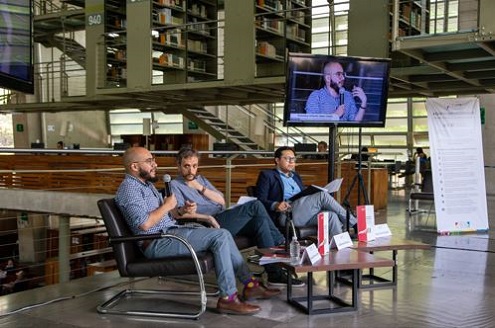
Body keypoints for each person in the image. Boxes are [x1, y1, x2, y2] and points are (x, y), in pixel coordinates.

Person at [115, 147, 280, 315]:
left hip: (171, 232)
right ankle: (229, 299)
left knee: (224, 234)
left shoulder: (146, 185)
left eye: (153, 160)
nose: (155, 164)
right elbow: (144, 224)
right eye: (149, 161)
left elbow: (167, 215)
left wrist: (180, 211)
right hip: (157, 242)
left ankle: (251, 285)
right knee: (220, 235)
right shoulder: (129, 189)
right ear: (134, 166)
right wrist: (166, 205)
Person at [170, 147, 305, 287]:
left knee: (259, 222)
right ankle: (281, 241)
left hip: (222, 216)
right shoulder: (175, 185)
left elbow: (221, 200)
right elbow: (181, 213)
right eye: (186, 166)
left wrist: (200, 187)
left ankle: (274, 274)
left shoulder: (201, 180)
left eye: (194, 166)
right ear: (179, 166)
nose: (191, 170)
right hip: (207, 224)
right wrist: (207, 217)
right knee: (256, 205)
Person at [256, 146, 357, 240]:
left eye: (293, 159)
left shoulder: (295, 176)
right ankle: (354, 224)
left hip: (302, 212)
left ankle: (339, 247)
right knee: (322, 196)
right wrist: (276, 205)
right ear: (277, 160)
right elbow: (259, 200)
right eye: (287, 159)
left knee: (330, 215)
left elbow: (303, 195)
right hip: (286, 214)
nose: (291, 162)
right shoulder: (267, 175)